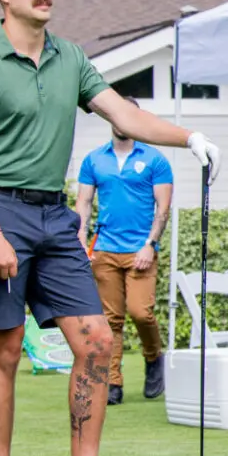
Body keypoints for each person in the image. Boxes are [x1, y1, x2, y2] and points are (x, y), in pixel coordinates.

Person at [0, 0, 221, 456]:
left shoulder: (70, 57)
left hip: (54, 217)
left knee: (96, 341)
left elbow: (124, 114)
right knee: (6, 348)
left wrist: (188, 137)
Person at [75, 97, 174, 406]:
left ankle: (153, 357)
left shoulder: (155, 159)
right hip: (104, 250)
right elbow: (85, 202)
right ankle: (113, 383)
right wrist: (80, 237)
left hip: (140, 251)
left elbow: (163, 208)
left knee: (141, 313)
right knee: (110, 320)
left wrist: (150, 244)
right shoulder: (94, 160)